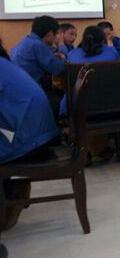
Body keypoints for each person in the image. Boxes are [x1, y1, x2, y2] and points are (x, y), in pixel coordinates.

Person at [1, 54, 59, 230]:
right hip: (39, 133)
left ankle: (6, 207)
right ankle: (11, 191)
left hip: (30, 140)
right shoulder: (4, 63)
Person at [59, 26, 120, 117]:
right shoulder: (112, 53)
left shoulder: (72, 54)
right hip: (112, 110)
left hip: (78, 113)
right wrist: (111, 46)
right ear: (103, 40)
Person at [11, 15, 65, 83]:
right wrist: (64, 59)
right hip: (29, 85)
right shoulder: (38, 45)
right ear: (50, 33)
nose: (57, 37)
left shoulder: (25, 42)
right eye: (56, 33)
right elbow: (56, 69)